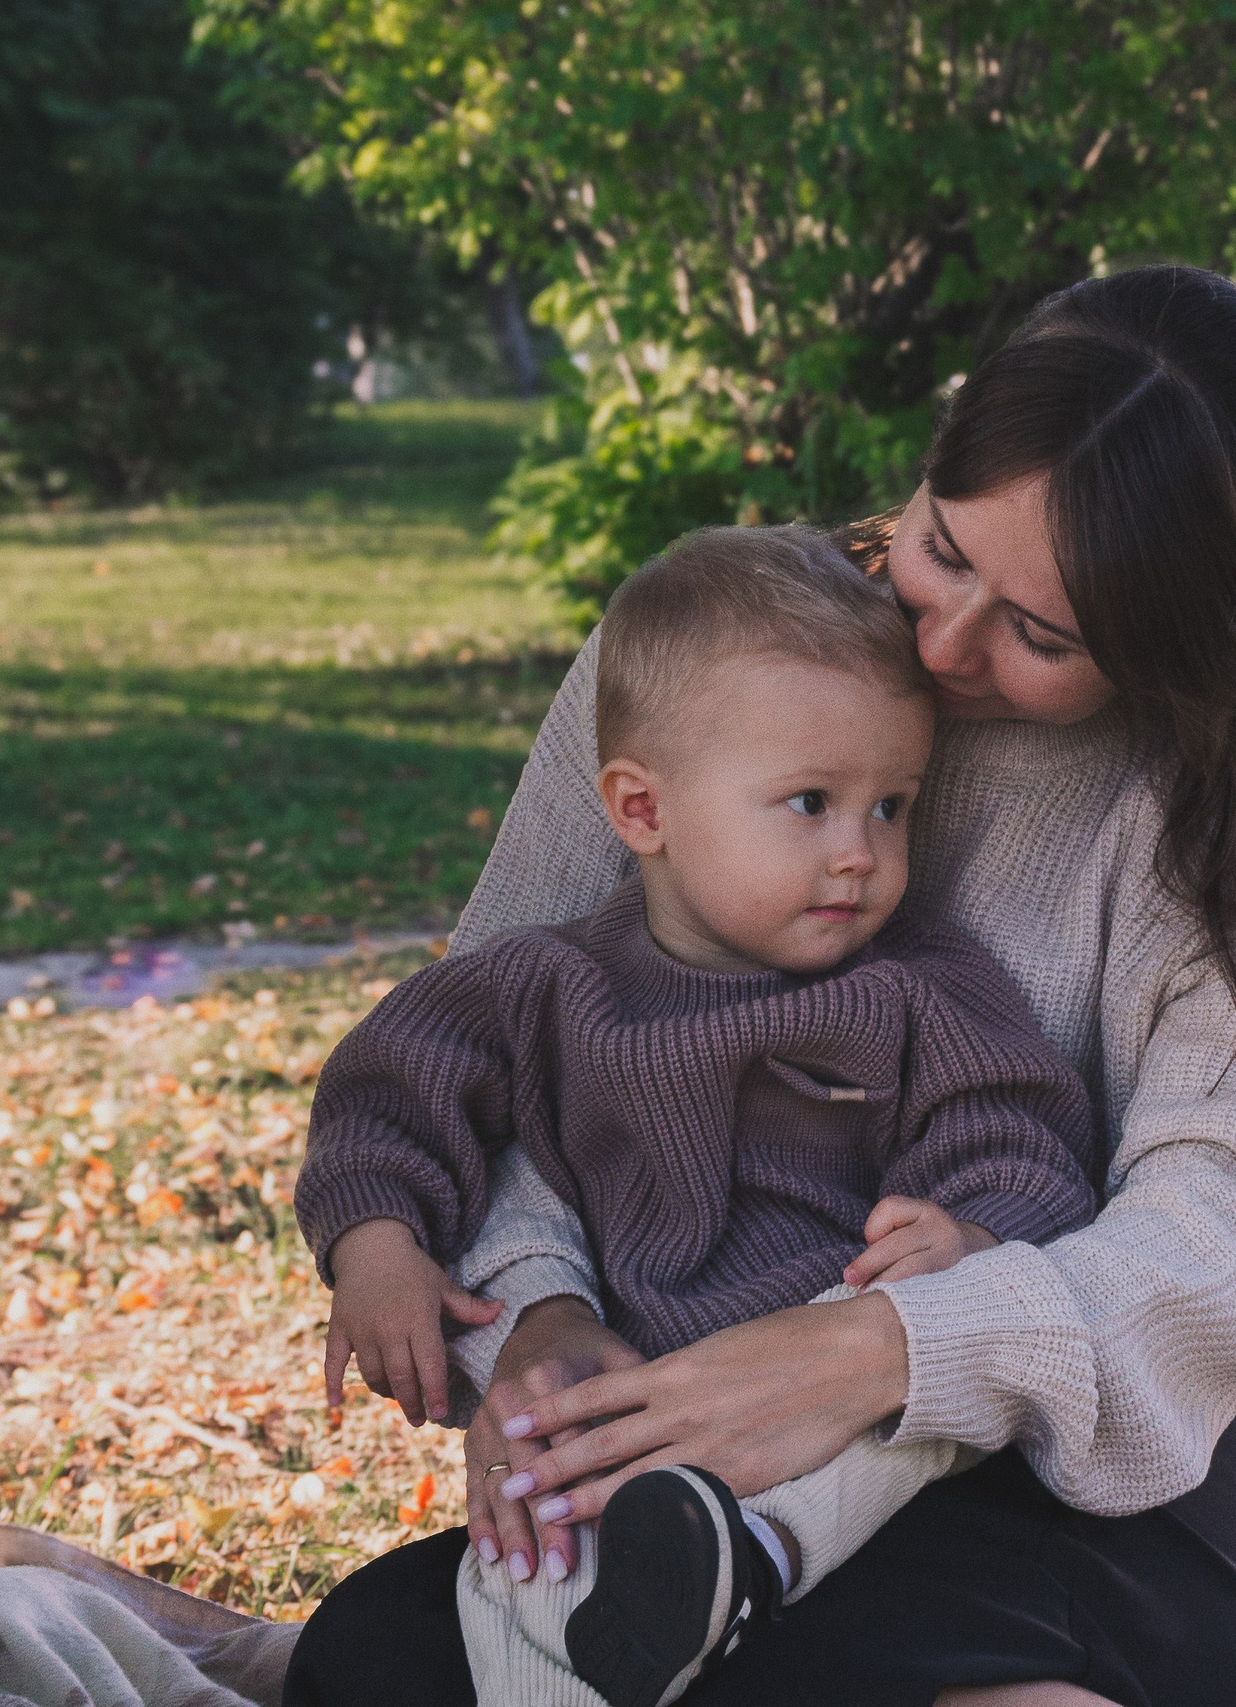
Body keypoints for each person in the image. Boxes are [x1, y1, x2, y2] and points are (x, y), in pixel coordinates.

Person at [282, 264, 1236, 1707]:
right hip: (709, 1412)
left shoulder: (1224, 813)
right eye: (939, 546)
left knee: (811, 1654)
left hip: (1098, 1447)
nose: (942, 642)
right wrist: (539, 1321)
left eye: (1041, 634)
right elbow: (497, 1045)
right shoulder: (708, 652)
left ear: (1182, 640)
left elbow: (1210, 1232)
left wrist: (882, 1346)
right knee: (370, 1666)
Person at [292, 528, 1102, 1707]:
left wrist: (968, 1242)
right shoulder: (546, 988)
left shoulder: (915, 987)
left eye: (892, 807)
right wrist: (374, 1244)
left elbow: (1017, 1135)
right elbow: (386, 1094)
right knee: (524, 1545)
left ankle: (751, 1563)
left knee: (926, 1382)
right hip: (635, 1405)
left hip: (841, 1400)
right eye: (811, 803)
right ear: (640, 809)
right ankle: (611, 1641)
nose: (860, 855)